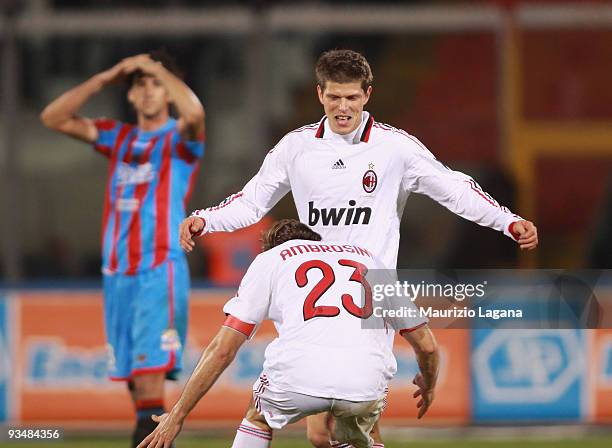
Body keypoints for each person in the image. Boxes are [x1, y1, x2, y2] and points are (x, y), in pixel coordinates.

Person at [179, 49, 538, 447]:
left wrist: (505, 220)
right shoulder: (296, 148)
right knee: (326, 431)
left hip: (372, 295)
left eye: (352, 97)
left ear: (368, 94)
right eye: (334, 97)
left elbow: (453, 188)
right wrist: (206, 219)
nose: (343, 107)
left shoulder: (394, 148)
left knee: (350, 422)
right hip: (310, 292)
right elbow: (252, 201)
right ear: (319, 94)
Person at [138, 219, 440, 448]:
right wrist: (428, 384)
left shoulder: (273, 259)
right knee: (358, 431)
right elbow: (426, 345)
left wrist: (177, 416)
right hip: (366, 379)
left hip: (300, 373)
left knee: (259, 415)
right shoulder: (369, 259)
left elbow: (222, 349)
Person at [40, 50, 205, 447]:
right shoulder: (120, 137)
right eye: (140, 85)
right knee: (138, 389)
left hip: (157, 270)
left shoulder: (180, 139)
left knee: (149, 386)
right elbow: (52, 118)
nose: (148, 92)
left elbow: (196, 115)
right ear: (130, 96)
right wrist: (105, 78)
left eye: (156, 85)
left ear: (168, 93)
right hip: (118, 274)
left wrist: (157, 69)